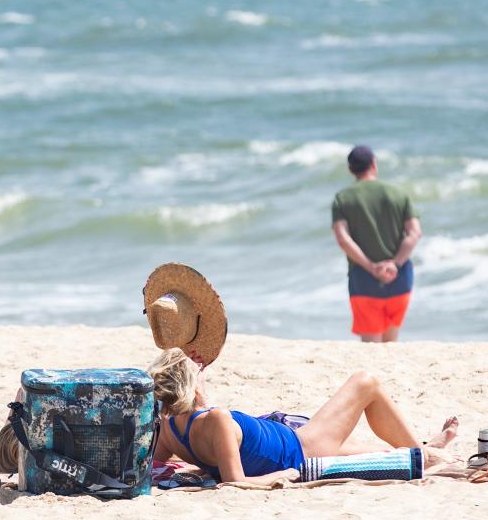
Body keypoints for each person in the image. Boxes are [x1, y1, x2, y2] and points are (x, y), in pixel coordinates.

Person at [148, 347, 457, 484]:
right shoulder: (216, 419)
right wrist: (276, 477)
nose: (204, 377)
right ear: (192, 385)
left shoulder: (170, 426)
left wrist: (189, 466)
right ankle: (425, 452)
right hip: (302, 448)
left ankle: (426, 446)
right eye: (199, 375)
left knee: (382, 452)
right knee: (366, 382)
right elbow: (234, 482)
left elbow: (158, 466)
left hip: (290, 441)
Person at [331, 145, 422, 343]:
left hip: (364, 280)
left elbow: (343, 239)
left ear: (350, 169)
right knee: (391, 345)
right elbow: (415, 233)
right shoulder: (399, 194)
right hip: (399, 278)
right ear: (374, 164)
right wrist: (394, 264)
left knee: (371, 348)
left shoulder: (343, 199)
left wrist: (371, 267)